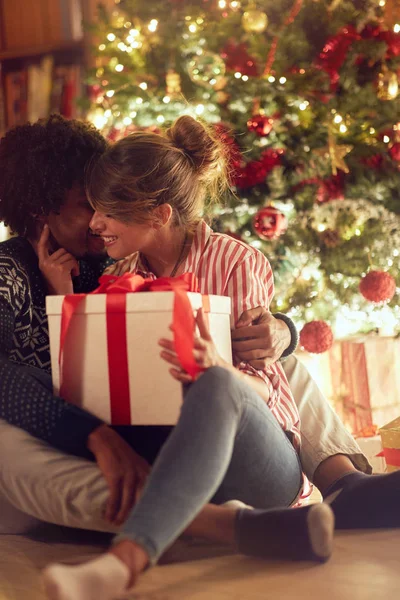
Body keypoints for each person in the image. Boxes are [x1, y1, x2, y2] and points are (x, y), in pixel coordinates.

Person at [42, 116, 400, 600]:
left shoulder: (235, 262)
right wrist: (65, 300)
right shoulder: (118, 271)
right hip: (175, 456)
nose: (95, 223)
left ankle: (121, 565)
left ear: (161, 214)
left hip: (261, 461)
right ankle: (319, 506)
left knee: (217, 383)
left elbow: (266, 387)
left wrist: (218, 368)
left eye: (111, 211)